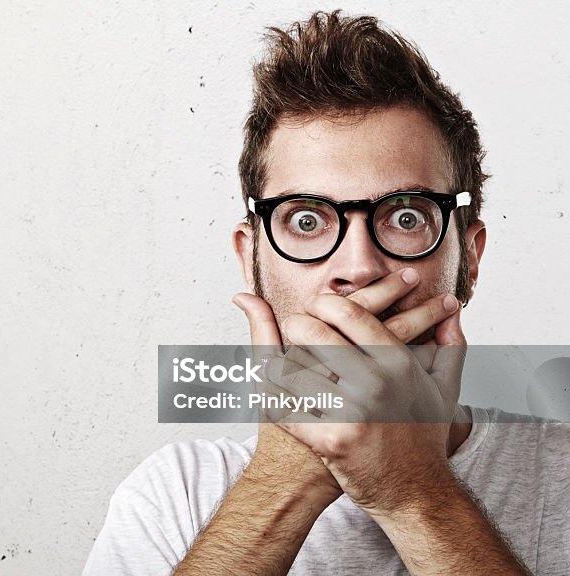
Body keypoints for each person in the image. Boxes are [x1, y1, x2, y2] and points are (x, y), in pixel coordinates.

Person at [84, 10, 569, 575]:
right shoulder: (171, 497)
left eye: (406, 217)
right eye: (307, 221)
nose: (359, 268)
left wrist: (414, 491)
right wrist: (285, 477)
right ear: (251, 258)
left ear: (471, 258)